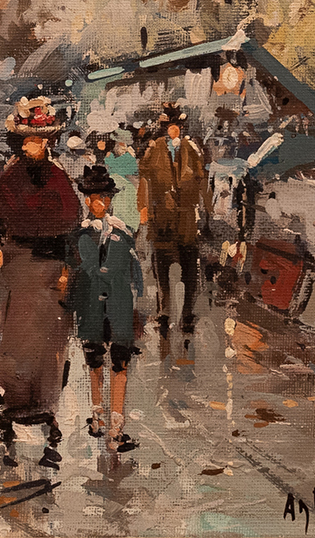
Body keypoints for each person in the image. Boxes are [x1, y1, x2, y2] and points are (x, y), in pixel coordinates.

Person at [0, 97, 81, 469]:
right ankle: (13, 406)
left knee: (49, 344)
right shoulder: (9, 177)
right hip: (18, 265)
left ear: (48, 143)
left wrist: (69, 268)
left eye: (37, 141)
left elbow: (72, 226)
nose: (31, 146)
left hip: (51, 268)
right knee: (14, 340)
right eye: (26, 141)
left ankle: (45, 408)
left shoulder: (59, 179)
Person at [71, 164, 143, 452]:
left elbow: (130, 272)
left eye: (106, 198)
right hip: (92, 307)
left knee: (120, 363)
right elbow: (86, 267)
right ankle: (98, 416)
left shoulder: (122, 233)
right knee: (95, 363)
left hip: (119, 306)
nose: (101, 203)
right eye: (96, 199)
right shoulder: (81, 235)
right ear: (87, 201)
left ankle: (116, 428)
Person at [139, 104, 211, 334]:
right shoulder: (155, 149)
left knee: (190, 267)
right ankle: (165, 311)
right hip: (162, 218)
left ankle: (188, 312)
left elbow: (202, 179)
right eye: (169, 128)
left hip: (187, 219)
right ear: (164, 129)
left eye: (176, 127)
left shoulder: (191, 148)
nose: (173, 131)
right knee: (162, 265)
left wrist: (205, 208)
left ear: (181, 128)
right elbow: (145, 178)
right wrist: (143, 208)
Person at [102, 132, 139, 236]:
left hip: (123, 187)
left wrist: (109, 158)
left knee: (123, 209)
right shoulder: (123, 156)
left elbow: (118, 169)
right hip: (120, 186)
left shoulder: (127, 157)